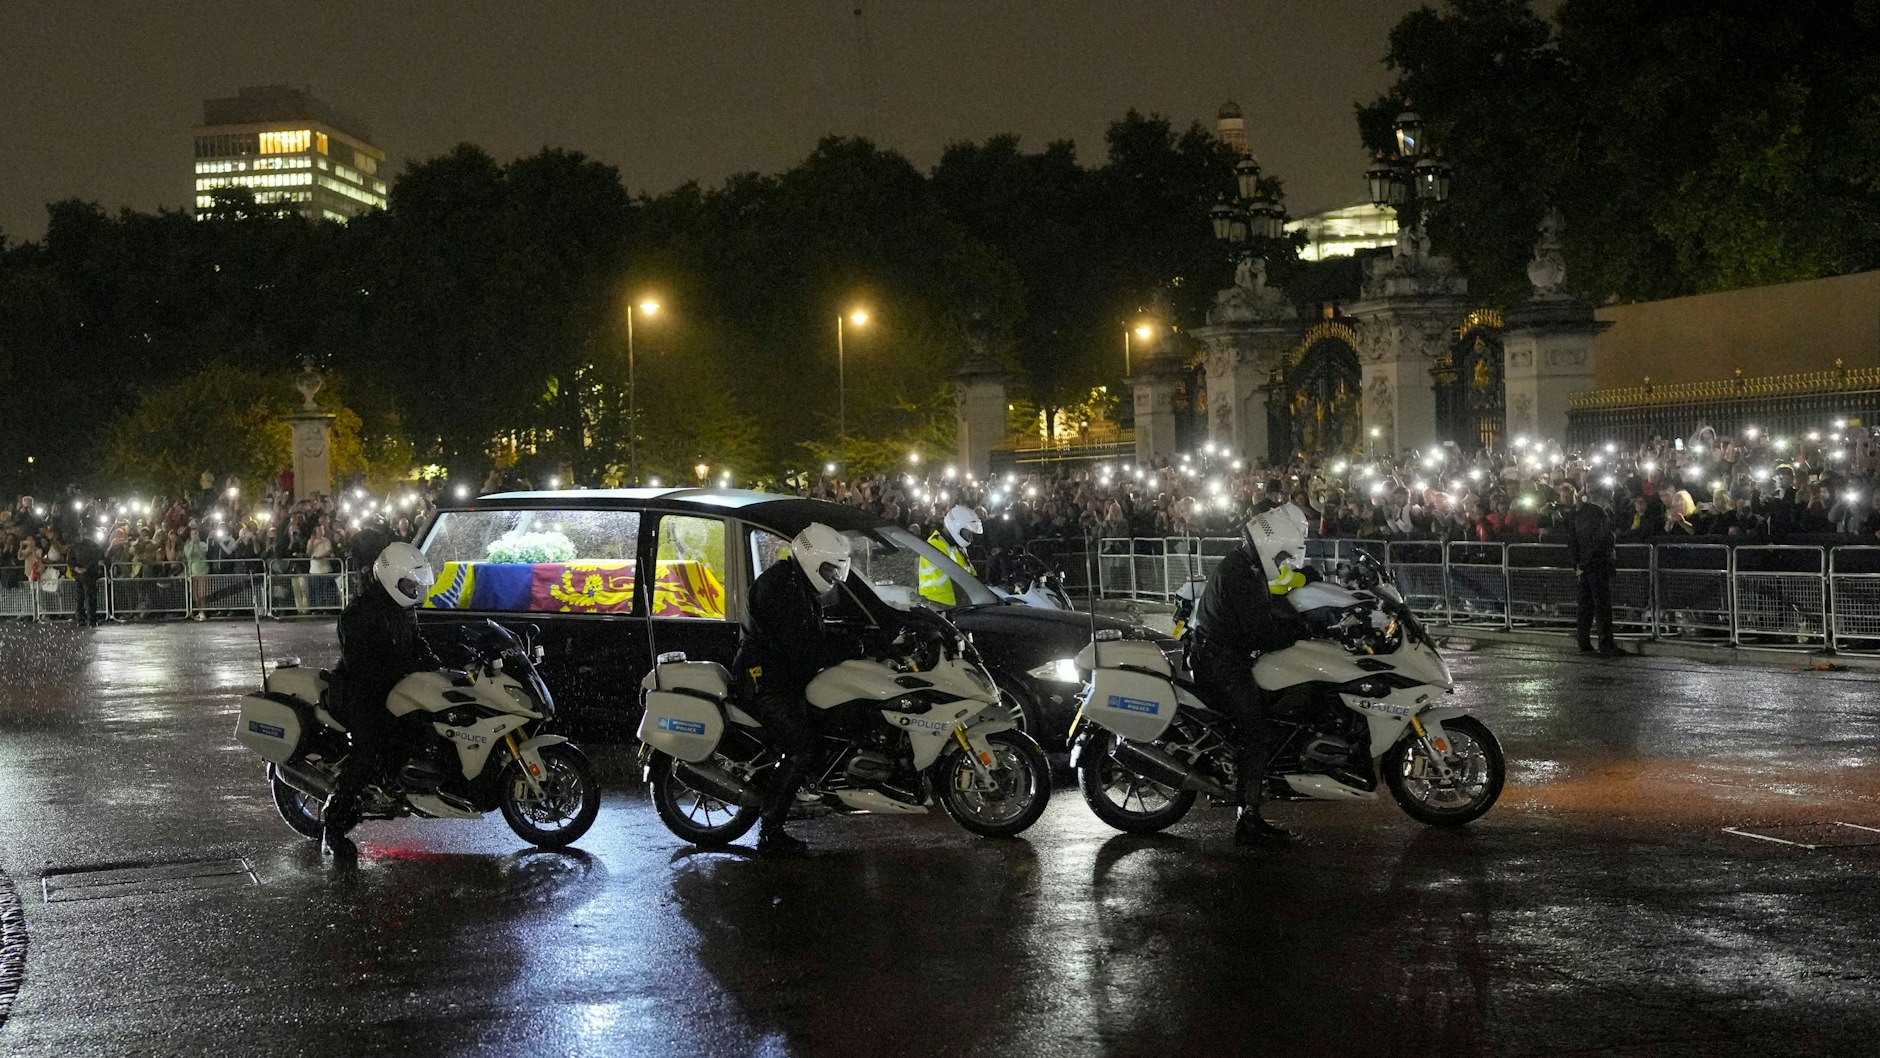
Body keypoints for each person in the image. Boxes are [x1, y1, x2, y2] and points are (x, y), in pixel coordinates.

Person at [1187, 504, 1312, 846]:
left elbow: (1272, 599)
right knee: (1257, 732)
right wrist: (1301, 632)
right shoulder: (1241, 574)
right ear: (1272, 543)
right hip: (1221, 664)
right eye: (1284, 552)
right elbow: (1259, 631)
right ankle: (1248, 818)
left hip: (1218, 655)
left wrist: (1309, 587)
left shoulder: (1245, 565)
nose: (1287, 559)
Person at [733, 522, 856, 853]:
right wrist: (851, 648)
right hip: (763, 680)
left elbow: (812, 635)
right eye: (830, 569)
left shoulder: (796, 581)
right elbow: (802, 646)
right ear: (813, 559)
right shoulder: (781, 589)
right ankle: (770, 830)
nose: (832, 577)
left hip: (782, 675)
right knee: (801, 745)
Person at [322, 542, 440, 853]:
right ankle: (333, 827)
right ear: (391, 578)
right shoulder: (358, 614)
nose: (414, 590)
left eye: (416, 585)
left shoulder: (402, 609)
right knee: (368, 752)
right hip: (360, 692)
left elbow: (416, 642)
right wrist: (405, 667)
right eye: (409, 584)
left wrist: (434, 664)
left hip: (395, 688)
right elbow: (363, 664)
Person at [1564, 484, 1619, 657]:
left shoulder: (1576, 516)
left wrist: (1578, 565)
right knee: (1602, 606)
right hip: (1597, 564)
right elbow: (1602, 540)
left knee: (1585, 606)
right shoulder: (1599, 514)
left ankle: (1584, 642)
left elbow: (1572, 541)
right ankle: (1606, 643)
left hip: (1584, 566)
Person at [919, 505, 981, 605]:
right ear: (956, 527)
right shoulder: (936, 545)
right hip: (939, 606)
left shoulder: (957, 546)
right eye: (968, 534)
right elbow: (955, 582)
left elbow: (972, 575)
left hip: (956, 605)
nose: (971, 539)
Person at [67, 531, 105, 626]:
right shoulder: (92, 545)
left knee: (80, 597)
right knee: (89, 597)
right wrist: (86, 568)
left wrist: (76, 568)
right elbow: (97, 557)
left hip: (79, 574)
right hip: (89, 574)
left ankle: (81, 619)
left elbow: (69, 561)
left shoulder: (74, 546)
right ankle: (91, 619)